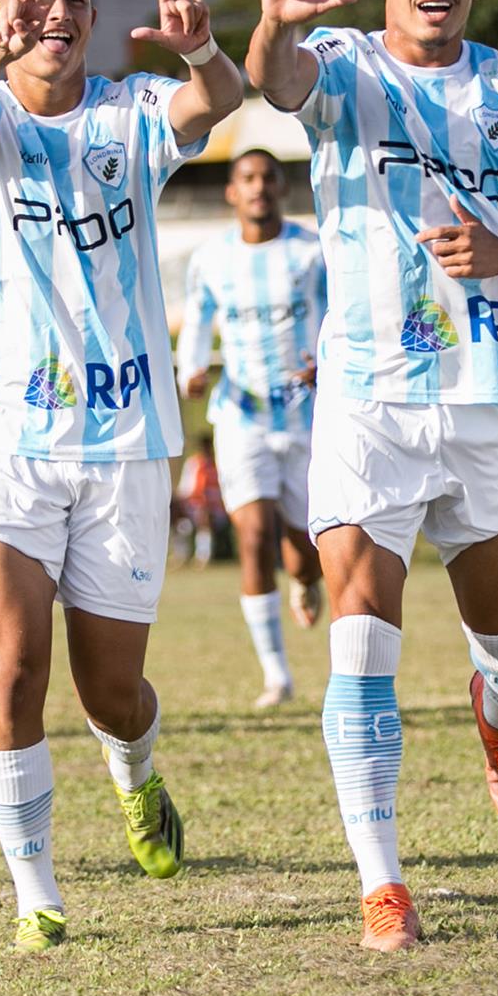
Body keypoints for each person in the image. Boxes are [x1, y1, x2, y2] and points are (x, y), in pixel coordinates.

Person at [246, 0, 498, 951]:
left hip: (482, 399)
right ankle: (380, 882)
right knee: (359, 640)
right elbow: (276, 83)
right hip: (365, 402)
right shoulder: (342, 61)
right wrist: (274, 20)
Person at [0, 0, 245, 953]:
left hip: (124, 441)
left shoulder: (130, 112)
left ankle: (137, 774)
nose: (53, 12)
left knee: (110, 688)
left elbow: (215, 102)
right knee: (13, 664)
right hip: (7, 442)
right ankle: (36, 891)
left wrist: (195, 51)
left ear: (94, 20)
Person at [177, 148, 330, 706]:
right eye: (248, 178)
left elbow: (342, 312)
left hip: (309, 418)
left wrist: (327, 360)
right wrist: (190, 368)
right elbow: (197, 318)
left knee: (305, 547)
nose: (259, 187)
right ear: (231, 192)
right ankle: (277, 676)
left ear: (282, 188)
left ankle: (306, 580)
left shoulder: (312, 250)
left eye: (268, 177)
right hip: (241, 415)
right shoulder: (212, 258)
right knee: (253, 536)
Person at [173, 431, 226, 569]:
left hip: (216, 510)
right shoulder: (193, 464)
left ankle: (202, 557)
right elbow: (185, 490)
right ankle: (180, 555)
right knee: (175, 512)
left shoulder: (220, 464)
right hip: (193, 506)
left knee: (204, 513)